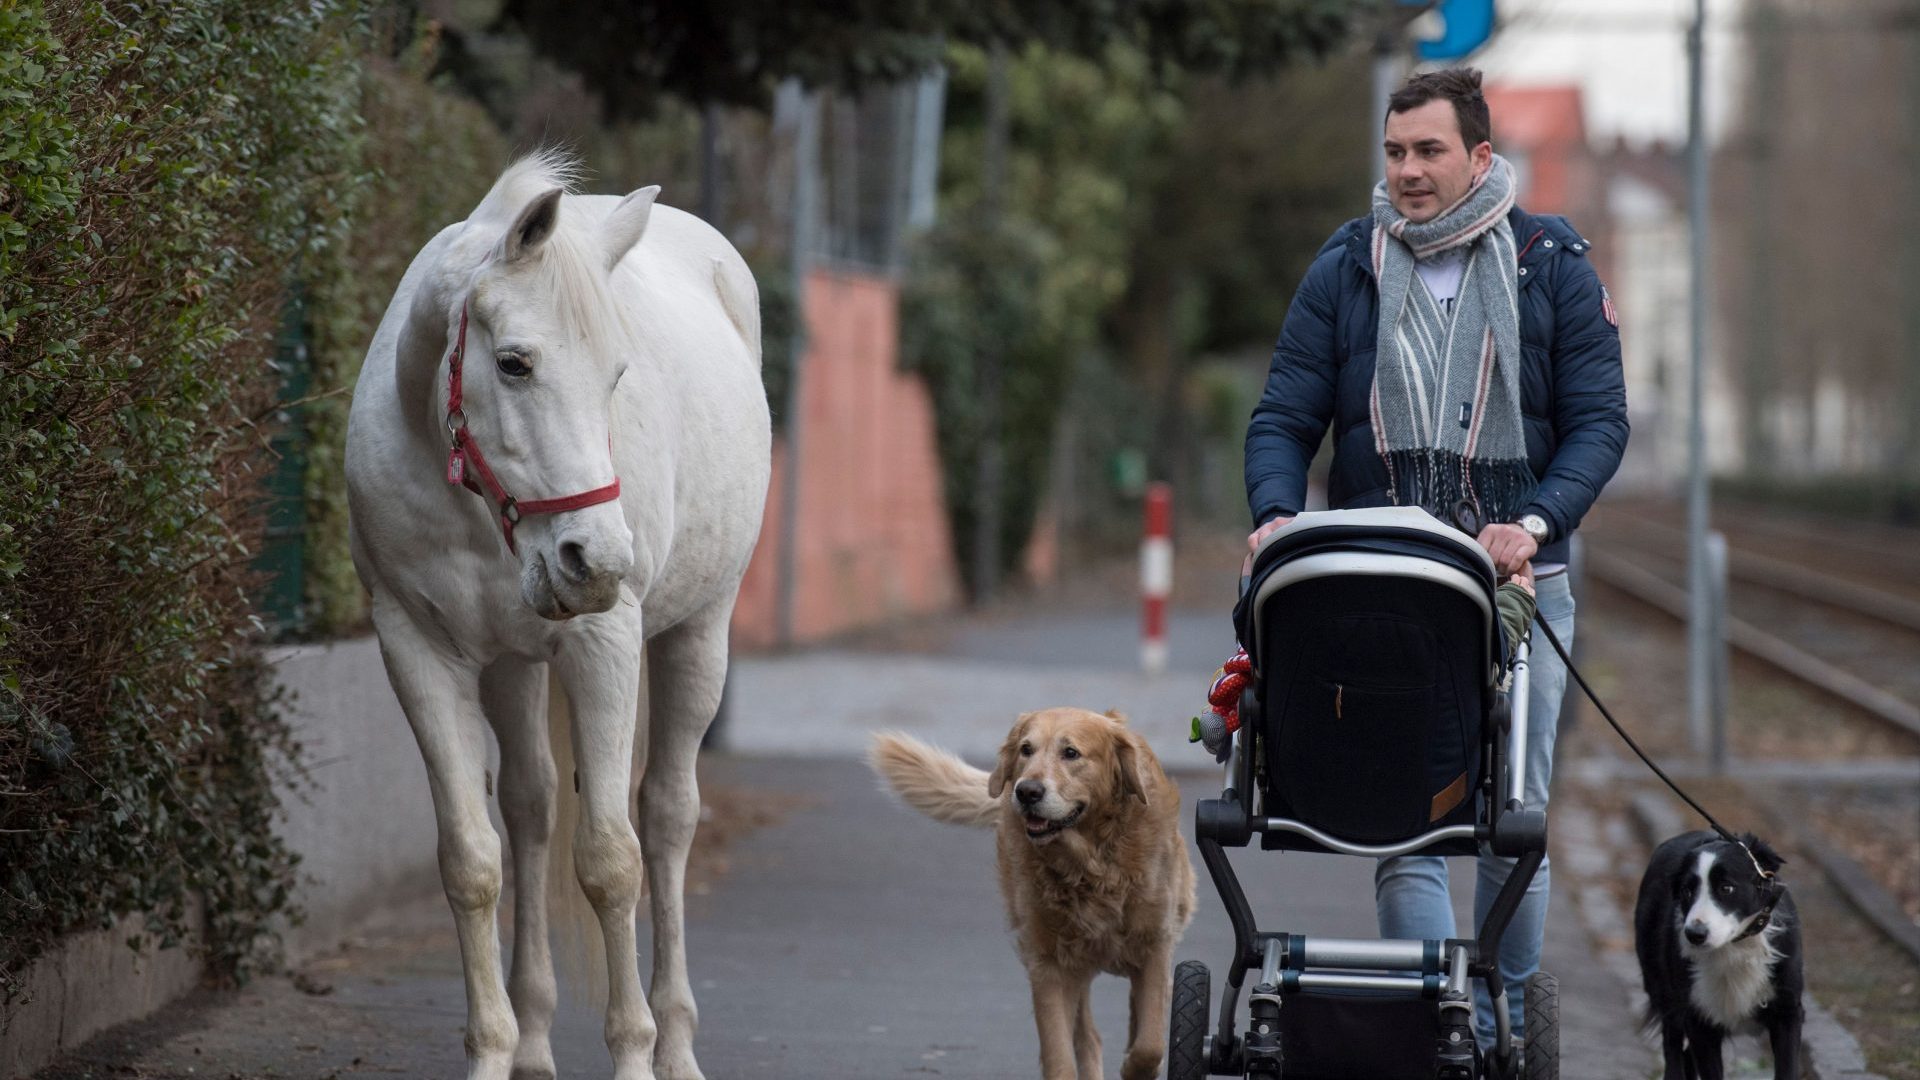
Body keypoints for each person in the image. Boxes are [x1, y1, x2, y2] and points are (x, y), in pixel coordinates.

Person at [1242, 66, 1628, 1047]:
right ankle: (1436, 1025)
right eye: (1395, 152)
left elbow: (1596, 426)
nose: (1408, 171)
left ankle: (1501, 1017)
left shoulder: (1553, 266)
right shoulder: (1347, 268)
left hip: (1518, 589)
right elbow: (1285, 414)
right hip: (1389, 592)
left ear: (1480, 157)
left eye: (1429, 152)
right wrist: (1277, 513)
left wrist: (1533, 521)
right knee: (1404, 817)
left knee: (1515, 817)